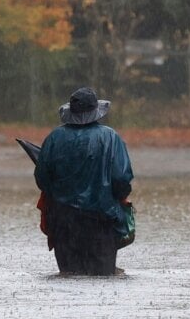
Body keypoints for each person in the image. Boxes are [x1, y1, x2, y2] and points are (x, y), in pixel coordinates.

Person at [34, 87, 133, 276]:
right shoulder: (110, 137)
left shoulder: (54, 138)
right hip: (101, 223)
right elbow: (122, 180)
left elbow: (42, 180)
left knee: (69, 278)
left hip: (63, 223)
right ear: (96, 112)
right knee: (103, 280)